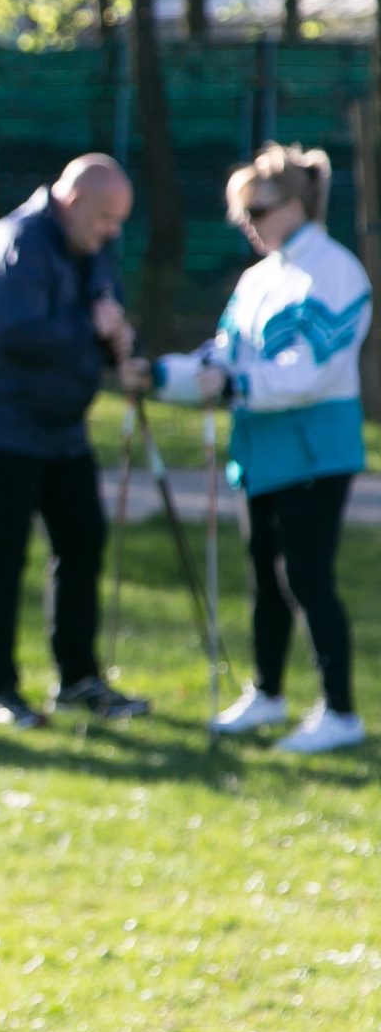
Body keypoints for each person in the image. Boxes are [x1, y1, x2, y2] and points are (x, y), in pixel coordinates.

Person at [125, 144, 369, 754]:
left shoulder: (335, 272)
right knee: (265, 577)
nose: (249, 225)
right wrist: (158, 376)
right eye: (243, 216)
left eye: (257, 211)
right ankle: (268, 694)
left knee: (307, 577)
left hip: (315, 450)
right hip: (260, 451)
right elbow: (221, 357)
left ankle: (340, 712)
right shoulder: (259, 277)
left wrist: (236, 386)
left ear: (296, 203)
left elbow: (308, 370)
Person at [0, 155, 150, 728]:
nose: (112, 232)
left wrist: (116, 337)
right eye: (104, 218)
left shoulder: (88, 245)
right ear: (72, 201)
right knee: (0, 555)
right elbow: (17, 333)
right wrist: (92, 328)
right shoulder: (13, 244)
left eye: (118, 221)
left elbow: (100, 311)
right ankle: (0, 690)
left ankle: (79, 679)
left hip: (59, 427)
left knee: (83, 542)